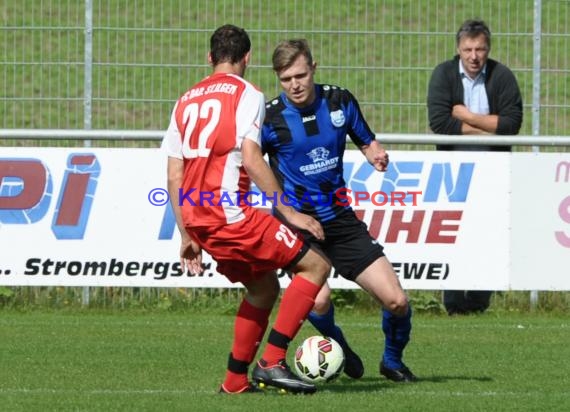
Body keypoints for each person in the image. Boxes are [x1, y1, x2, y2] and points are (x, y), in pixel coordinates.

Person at [161, 25, 332, 395]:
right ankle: (271, 362)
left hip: (197, 218)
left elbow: (174, 174)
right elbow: (253, 160)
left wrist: (186, 233)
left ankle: (235, 381)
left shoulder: (185, 100)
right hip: (230, 216)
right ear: (247, 58)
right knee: (316, 265)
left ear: (210, 58)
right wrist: (289, 213)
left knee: (264, 288)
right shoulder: (248, 94)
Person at [261, 39, 417, 383]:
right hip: (299, 225)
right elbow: (254, 166)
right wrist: (284, 212)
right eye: (285, 79)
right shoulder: (270, 119)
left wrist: (374, 154)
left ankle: (392, 360)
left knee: (397, 301)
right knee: (317, 301)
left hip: (340, 220)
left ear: (313, 67)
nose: (295, 85)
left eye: (300, 75)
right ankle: (339, 346)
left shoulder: (339, 101)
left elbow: (365, 139)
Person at [427, 19, 523, 315]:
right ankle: (454, 303)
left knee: (490, 230)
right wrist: (490, 126)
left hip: (494, 167)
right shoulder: (443, 74)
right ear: (458, 49)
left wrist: (467, 116)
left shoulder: (502, 75)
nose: (474, 56)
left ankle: (479, 302)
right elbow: (440, 123)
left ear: (488, 49)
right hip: (454, 168)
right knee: (453, 231)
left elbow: (512, 124)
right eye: (468, 49)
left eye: (480, 49)